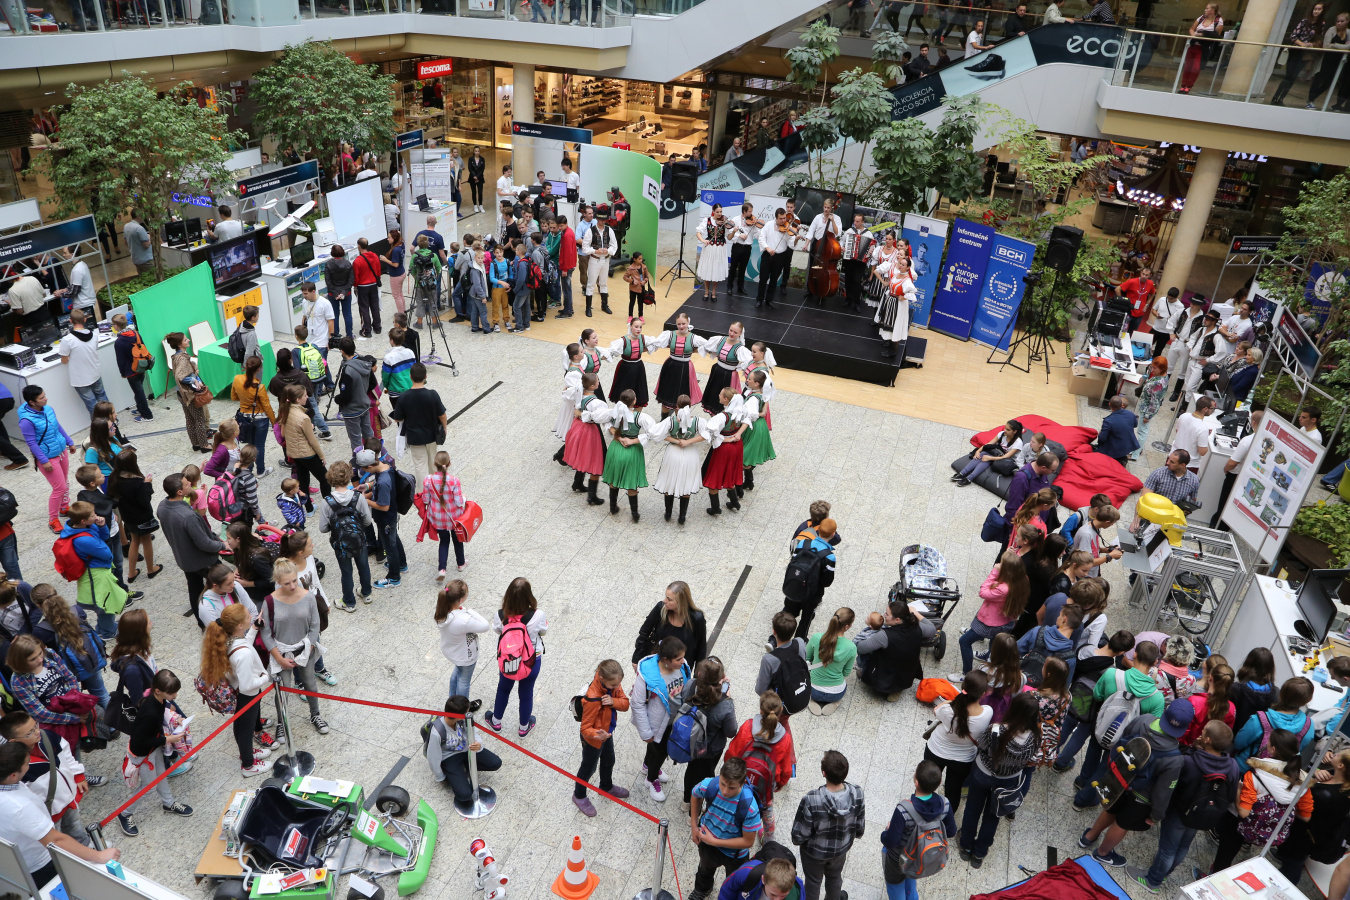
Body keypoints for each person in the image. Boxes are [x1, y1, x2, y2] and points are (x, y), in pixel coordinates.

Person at [1077, 698, 1195, 868]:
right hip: (1141, 796)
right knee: (1122, 823)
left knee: (1111, 809)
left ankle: (1088, 837)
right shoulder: (1174, 759)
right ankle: (1102, 853)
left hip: (1121, 779)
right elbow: (1163, 792)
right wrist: (1157, 815)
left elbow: (1125, 737)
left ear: (1166, 711)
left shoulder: (1144, 720)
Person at [1124, 720, 1239, 891]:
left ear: (1207, 740)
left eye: (1204, 731)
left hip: (1179, 812)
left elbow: (1172, 787)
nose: (1201, 732)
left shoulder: (1189, 762)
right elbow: (1231, 794)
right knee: (1184, 845)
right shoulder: (1233, 766)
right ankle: (1165, 873)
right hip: (1203, 814)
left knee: (1167, 849)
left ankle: (1153, 880)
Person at [0, 742, 121, 884]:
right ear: (13, 775)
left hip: (18, 859)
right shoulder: (19, 807)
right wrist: (98, 856)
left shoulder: (8, 786)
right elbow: (55, 840)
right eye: (27, 763)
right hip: (41, 863)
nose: (30, 763)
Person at [1068, 641, 1165, 807]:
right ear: (1155, 662)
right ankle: (1083, 799)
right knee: (1106, 766)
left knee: (1093, 749)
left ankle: (1082, 779)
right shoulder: (1157, 698)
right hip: (1124, 739)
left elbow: (1097, 695)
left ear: (1134, 654)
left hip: (1102, 724)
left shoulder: (1112, 674)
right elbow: (1150, 725)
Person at [1209, 727, 1311, 873]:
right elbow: (1305, 816)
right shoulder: (1304, 782)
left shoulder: (1256, 773)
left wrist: (1238, 790)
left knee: (1225, 855)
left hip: (1238, 825)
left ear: (1273, 749)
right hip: (1269, 832)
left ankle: (1214, 875)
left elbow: (1243, 812)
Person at [959, 692, 1039, 867]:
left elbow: (982, 745)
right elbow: (1029, 760)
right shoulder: (1034, 739)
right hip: (1007, 781)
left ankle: (966, 846)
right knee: (993, 816)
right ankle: (979, 853)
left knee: (972, 809)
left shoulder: (995, 730)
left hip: (983, 774)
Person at [201, 605, 271, 776]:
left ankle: (246, 753)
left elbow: (245, 643)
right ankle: (248, 765)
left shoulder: (229, 639)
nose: (251, 617)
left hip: (237, 691)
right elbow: (248, 685)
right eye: (248, 617)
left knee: (240, 725)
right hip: (247, 695)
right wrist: (265, 677)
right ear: (239, 625)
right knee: (246, 730)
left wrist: (253, 629)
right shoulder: (244, 654)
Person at [262, 558, 328, 735]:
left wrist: (309, 647)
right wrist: (279, 658)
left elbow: (315, 624)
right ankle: (281, 723)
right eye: (286, 583)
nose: (292, 586)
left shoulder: (308, 597)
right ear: (277, 581)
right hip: (282, 652)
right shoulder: (269, 601)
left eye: (294, 580)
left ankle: (315, 715)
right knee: (282, 691)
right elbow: (266, 633)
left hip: (304, 649)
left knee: (310, 684)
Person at [789, 750, 865, 900]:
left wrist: (798, 841)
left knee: (813, 882)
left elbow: (800, 834)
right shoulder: (857, 793)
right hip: (840, 850)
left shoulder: (812, 799)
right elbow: (859, 826)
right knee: (835, 878)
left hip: (814, 853)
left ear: (824, 773)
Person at [688, 757, 763, 900]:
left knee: (734, 881)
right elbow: (695, 794)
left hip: (735, 854)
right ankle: (702, 889)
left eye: (731, 787)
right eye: (722, 783)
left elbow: (748, 842)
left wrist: (714, 841)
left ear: (742, 783)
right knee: (704, 869)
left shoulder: (749, 807)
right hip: (707, 845)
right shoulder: (710, 785)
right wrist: (694, 826)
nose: (725, 791)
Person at [157, 472, 226, 623]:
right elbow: (204, 543)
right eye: (186, 483)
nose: (190, 484)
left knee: (195, 590)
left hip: (185, 560)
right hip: (203, 560)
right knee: (225, 581)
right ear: (179, 492)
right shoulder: (187, 516)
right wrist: (222, 545)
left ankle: (202, 622)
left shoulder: (162, 506)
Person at [924, 670, 990, 817]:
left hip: (936, 750)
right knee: (953, 790)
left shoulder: (947, 710)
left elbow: (936, 711)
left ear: (963, 688)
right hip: (963, 759)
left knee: (927, 782)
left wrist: (949, 701)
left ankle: (923, 809)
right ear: (983, 694)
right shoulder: (987, 713)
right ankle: (947, 818)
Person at [633, 636, 692, 801]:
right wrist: (646, 732)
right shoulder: (648, 676)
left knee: (655, 749)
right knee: (660, 752)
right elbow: (637, 704)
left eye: (683, 657)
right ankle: (651, 779)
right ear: (666, 660)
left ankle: (647, 766)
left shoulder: (682, 666)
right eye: (678, 659)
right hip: (657, 723)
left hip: (675, 719)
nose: (683, 661)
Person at [488, 577, 549, 737]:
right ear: (529, 595)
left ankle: (496, 721)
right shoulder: (538, 615)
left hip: (509, 660)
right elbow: (543, 632)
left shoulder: (500, 614)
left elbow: (497, 630)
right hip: (531, 660)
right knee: (526, 693)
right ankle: (523, 727)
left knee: (503, 689)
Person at [572, 658, 633, 817]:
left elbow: (625, 704)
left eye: (618, 684)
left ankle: (606, 786)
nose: (617, 687)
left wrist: (613, 701)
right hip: (594, 740)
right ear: (602, 679)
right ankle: (579, 795)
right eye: (614, 685)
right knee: (588, 768)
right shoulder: (593, 698)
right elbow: (585, 728)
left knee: (609, 760)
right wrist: (598, 735)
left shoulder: (612, 684)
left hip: (606, 733)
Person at [954, 551, 1028, 677]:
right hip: (1005, 621)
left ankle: (966, 673)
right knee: (994, 643)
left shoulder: (1004, 589)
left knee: (964, 641)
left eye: (1001, 563)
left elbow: (983, 592)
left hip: (990, 623)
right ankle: (988, 658)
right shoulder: (1022, 580)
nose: (998, 564)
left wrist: (994, 572)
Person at [17, 387, 75, 535]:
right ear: (32, 402)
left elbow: (57, 426)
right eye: (42, 398)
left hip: (61, 451)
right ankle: (53, 520)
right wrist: (44, 460)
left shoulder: (48, 409)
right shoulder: (26, 421)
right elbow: (31, 443)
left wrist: (69, 441)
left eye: (45, 395)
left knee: (65, 482)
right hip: (48, 458)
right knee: (59, 488)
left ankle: (64, 507)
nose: (46, 399)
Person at [427, 694, 502, 808]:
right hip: (450, 757)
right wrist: (441, 777)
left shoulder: (465, 719)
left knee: (495, 763)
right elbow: (433, 757)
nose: (469, 713)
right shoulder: (437, 732)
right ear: (458, 716)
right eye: (467, 711)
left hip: (466, 749)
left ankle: (463, 770)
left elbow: (474, 733)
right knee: (464, 795)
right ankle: (457, 773)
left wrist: (478, 744)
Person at [319, 461, 372, 611]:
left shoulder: (327, 502)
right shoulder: (358, 497)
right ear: (349, 476)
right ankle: (366, 593)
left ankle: (349, 602)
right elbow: (367, 521)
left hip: (340, 544)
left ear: (330, 478)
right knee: (364, 566)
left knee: (346, 572)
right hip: (359, 540)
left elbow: (323, 528)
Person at [1232, 677, 1316, 771]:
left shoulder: (1259, 720)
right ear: (1307, 700)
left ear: (1280, 694)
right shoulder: (1308, 726)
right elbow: (1297, 751)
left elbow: (1238, 744)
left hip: (1246, 768)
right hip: (1276, 773)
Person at [855, 600, 926, 700]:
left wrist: (868, 635)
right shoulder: (917, 626)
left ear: (897, 620)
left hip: (884, 679)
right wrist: (915, 612)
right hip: (907, 675)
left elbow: (861, 648)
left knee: (867, 651)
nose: (884, 615)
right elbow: (932, 629)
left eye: (887, 614)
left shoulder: (884, 635)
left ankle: (864, 672)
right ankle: (897, 690)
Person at [355, 449, 405, 590]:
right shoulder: (385, 466)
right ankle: (401, 564)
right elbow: (377, 485)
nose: (365, 471)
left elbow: (384, 506)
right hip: (390, 517)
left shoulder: (383, 482)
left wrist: (364, 500)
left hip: (386, 519)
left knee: (389, 547)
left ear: (370, 466)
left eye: (364, 469)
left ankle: (394, 577)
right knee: (394, 540)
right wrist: (368, 486)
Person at [435, 580, 489, 700]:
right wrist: (469, 611)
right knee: (464, 681)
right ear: (461, 599)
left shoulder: (442, 610)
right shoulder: (464, 620)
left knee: (456, 674)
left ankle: (452, 701)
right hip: (465, 655)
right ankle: (461, 707)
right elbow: (485, 626)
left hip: (453, 651)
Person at [633, 581, 708, 667]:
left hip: (680, 667)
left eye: (669, 599)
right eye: (666, 597)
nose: (664, 601)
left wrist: (698, 672)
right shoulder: (660, 609)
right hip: (657, 663)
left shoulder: (697, 619)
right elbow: (644, 633)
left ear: (681, 602)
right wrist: (636, 658)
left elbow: (701, 647)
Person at [422, 450, 467, 578]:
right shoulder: (454, 481)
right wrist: (464, 497)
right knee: (457, 540)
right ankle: (461, 564)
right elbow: (459, 502)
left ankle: (442, 569)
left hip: (437, 518)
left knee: (444, 541)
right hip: (454, 518)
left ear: (434, 464)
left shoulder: (428, 480)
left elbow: (425, 500)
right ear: (449, 464)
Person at [1272, 3, 1327, 105]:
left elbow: (1319, 40)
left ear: (1322, 11)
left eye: (1319, 9)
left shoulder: (1322, 24)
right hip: (1296, 51)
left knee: (1293, 77)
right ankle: (1275, 97)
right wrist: (1302, 44)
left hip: (1305, 53)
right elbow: (1293, 36)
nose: (1316, 11)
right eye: (1315, 9)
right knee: (1288, 76)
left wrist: (1311, 44)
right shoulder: (1304, 21)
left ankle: (1281, 98)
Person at [57, 308, 108, 418]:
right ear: (85, 319)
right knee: (102, 397)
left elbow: (64, 361)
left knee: (92, 404)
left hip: (80, 379)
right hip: (95, 373)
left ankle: (99, 425)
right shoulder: (94, 335)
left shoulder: (67, 340)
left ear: (70, 321)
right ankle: (111, 420)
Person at [805, 609, 856, 716]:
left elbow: (807, 658)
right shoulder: (851, 647)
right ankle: (835, 703)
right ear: (847, 626)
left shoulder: (817, 637)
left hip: (813, 690)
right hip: (836, 693)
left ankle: (811, 700)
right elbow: (846, 673)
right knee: (843, 687)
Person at [231, 356, 275, 478]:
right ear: (259, 369)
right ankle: (261, 471)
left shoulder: (237, 379)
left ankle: (248, 469)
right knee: (259, 445)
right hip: (260, 418)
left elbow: (234, 397)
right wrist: (274, 422)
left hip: (244, 417)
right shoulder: (260, 387)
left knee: (250, 444)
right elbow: (267, 407)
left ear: (246, 366)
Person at [334, 338, 376, 456]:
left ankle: (360, 461)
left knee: (356, 440)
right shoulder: (365, 363)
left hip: (352, 410)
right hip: (364, 405)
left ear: (342, 351)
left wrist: (337, 399)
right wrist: (362, 391)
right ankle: (374, 456)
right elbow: (373, 383)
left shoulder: (348, 370)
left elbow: (346, 396)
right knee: (369, 434)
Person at [109, 313, 154, 423]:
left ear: (116, 326)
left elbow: (120, 360)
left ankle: (147, 415)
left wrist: (123, 373)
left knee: (139, 392)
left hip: (131, 371)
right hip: (141, 366)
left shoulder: (119, 342)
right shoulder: (135, 334)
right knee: (139, 390)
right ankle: (140, 408)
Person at [954, 419, 1025, 485]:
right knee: (982, 454)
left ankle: (969, 478)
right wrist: (978, 451)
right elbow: (989, 444)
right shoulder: (1002, 434)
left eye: (1008, 430)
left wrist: (989, 458)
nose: (1005, 430)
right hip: (999, 454)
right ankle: (962, 473)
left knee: (987, 459)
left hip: (1008, 461)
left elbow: (1006, 457)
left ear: (1014, 431)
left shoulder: (1018, 443)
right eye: (1005, 428)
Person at [1130, 358, 1170, 461]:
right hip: (1144, 406)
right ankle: (1137, 450)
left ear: (1162, 368)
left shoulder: (1159, 383)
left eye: (1155, 368)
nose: (1152, 370)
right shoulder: (1160, 376)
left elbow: (1155, 402)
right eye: (1152, 367)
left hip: (1147, 410)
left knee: (1142, 432)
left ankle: (1135, 454)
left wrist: (1148, 416)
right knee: (1141, 430)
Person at [1071, 503, 1121, 577]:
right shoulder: (1086, 534)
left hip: (1093, 572)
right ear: (1107, 522)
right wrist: (1110, 556)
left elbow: (1093, 549)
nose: (1112, 525)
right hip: (1085, 575)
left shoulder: (1096, 527)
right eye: (1112, 523)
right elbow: (1085, 562)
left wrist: (1108, 550)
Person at [581, 211, 617, 315]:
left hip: (605, 260)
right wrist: (595, 251)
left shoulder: (609, 230)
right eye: (601, 219)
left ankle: (604, 305)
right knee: (591, 284)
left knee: (603, 283)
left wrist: (608, 251)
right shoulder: (590, 231)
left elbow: (614, 245)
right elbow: (585, 247)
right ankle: (588, 308)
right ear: (597, 219)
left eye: (604, 220)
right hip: (594, 259)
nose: (602, 221)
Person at [1093, 396, 1140, 466]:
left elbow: (1101, 439)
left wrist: (1100, 434)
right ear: (1121, 405)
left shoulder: (1108, 421)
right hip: (1128, 445)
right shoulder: (1130, 414)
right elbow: (1135, 424)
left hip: (1115, 449)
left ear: (1109, 404)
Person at [1171, 396, 1216, 468]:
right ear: (1205, 409)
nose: (1213, 410)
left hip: (1173, 456)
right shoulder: (1203, 428)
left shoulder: (1183, 416)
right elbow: (1202, 452)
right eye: (1212, 408)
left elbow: (1178, 431)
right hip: (1189, 464)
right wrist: (1204, 438)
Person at [352, 237, 383, 338]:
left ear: (359, 246)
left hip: (362, 286)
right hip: (373, 284)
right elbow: (378, 271)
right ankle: (377, 327)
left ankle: (367, 330)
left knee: (364, 308)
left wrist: (355, 286)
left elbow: (356, 277)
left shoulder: (357, 261)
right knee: (375, 306)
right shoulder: (374, 256)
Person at [324, 245, 355, 340]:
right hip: (346, 293)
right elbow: (351, 280)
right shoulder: (347, 263)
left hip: (333, 294)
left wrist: (335, 293)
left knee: (334, 315)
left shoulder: (328, 264)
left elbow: (328, 281)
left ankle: (336, 336)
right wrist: (344, 292)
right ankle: (349, 335)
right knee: (347, 314)